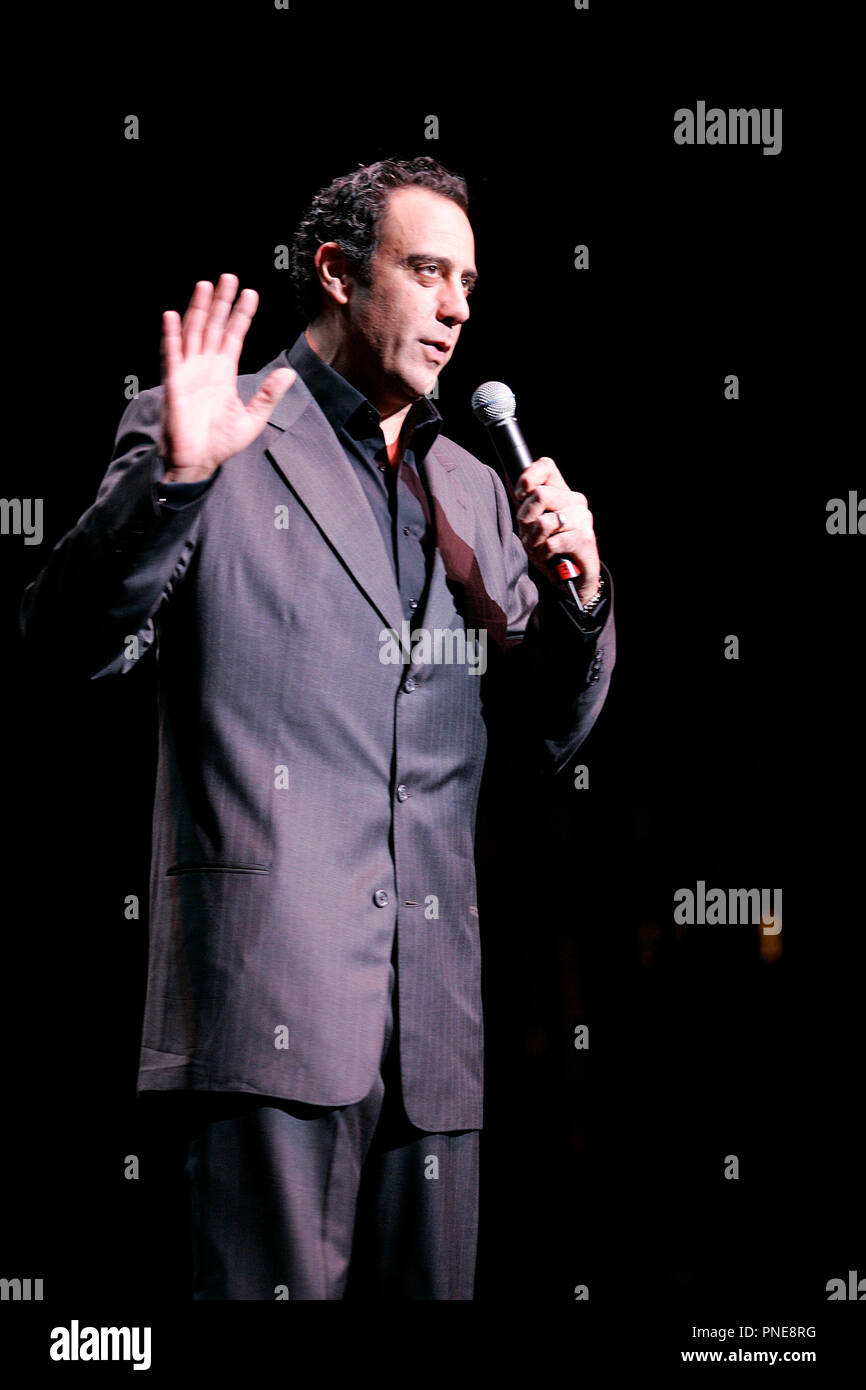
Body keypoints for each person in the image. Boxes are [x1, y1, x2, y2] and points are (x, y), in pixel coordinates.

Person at [19, 155, 615, 1300]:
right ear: (338, 271)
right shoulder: (212, 431)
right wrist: (177, 480)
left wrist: (579, 603)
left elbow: (544, 739)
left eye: (470, 283)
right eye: (428, 271)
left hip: (432, 1028)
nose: (455, 307)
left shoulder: (475, 488)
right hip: (265, 1005)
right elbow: (66, 649)